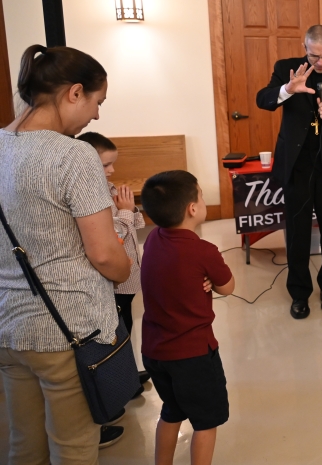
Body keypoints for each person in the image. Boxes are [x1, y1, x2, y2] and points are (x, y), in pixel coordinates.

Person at [0, 45, 132, 460]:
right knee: (73, 448)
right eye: (97, 102)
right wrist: (126, 265)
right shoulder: (73, 155)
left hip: (9, 327)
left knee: (25, 444)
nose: (95, 116)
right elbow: (104, 254)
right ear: (75, 92)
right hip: (68, 331)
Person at [256, 25, 322, 320]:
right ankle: (299, 294)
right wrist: (288, 89)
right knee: (298, 233)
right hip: (297, 166)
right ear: (305, 47)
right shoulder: (287, 69)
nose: (320, 62)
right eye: (314, 56)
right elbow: (262, 100)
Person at [140, 170, 235, 465]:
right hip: (193, 356)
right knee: (206, 422)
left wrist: (200, 278)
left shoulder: (154, 238)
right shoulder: (203, 251)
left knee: (171, 411)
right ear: (193, 209)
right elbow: (228, 286)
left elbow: (173, 273)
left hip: (155, 351)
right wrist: (210, 277)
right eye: (202, 196)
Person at [76, 132, 152, 396]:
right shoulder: (92, 197)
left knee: (127, 328)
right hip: (116, 282)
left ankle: (128, 374)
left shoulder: (108, 190)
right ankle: (122, 385)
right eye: (105, 164)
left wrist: (129, 211)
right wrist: (126, 212)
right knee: (119, 332)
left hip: (129, 277)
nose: (112, 170)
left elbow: (134, 226)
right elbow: (114, 237)